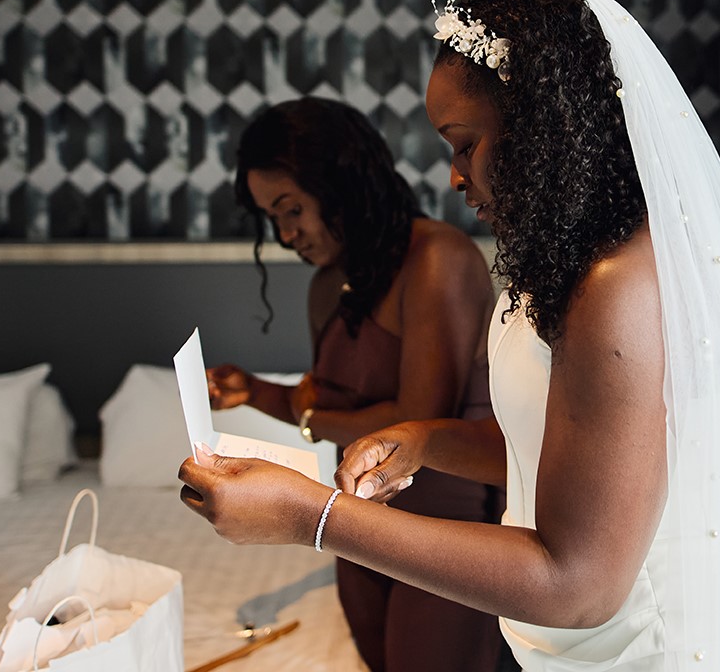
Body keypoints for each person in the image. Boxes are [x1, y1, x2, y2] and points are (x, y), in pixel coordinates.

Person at [182, 0, 720, 671]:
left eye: (464, 144)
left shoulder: (618, 287)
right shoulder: (568, 267)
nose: (454, 175)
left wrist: (310, 517)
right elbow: (563, 453)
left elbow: (577, 584)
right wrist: (425, 440)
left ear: (539, 130)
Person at [203, 96, 504, 672]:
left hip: (448, 531)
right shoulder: (326, 288)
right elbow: (324, 407)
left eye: (292, 210)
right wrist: (255, 391)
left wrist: (307, 415)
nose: (285, 235)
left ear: (339, 183)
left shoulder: (437, 257)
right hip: (355, 527)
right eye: (272, 219)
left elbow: (415, 418)